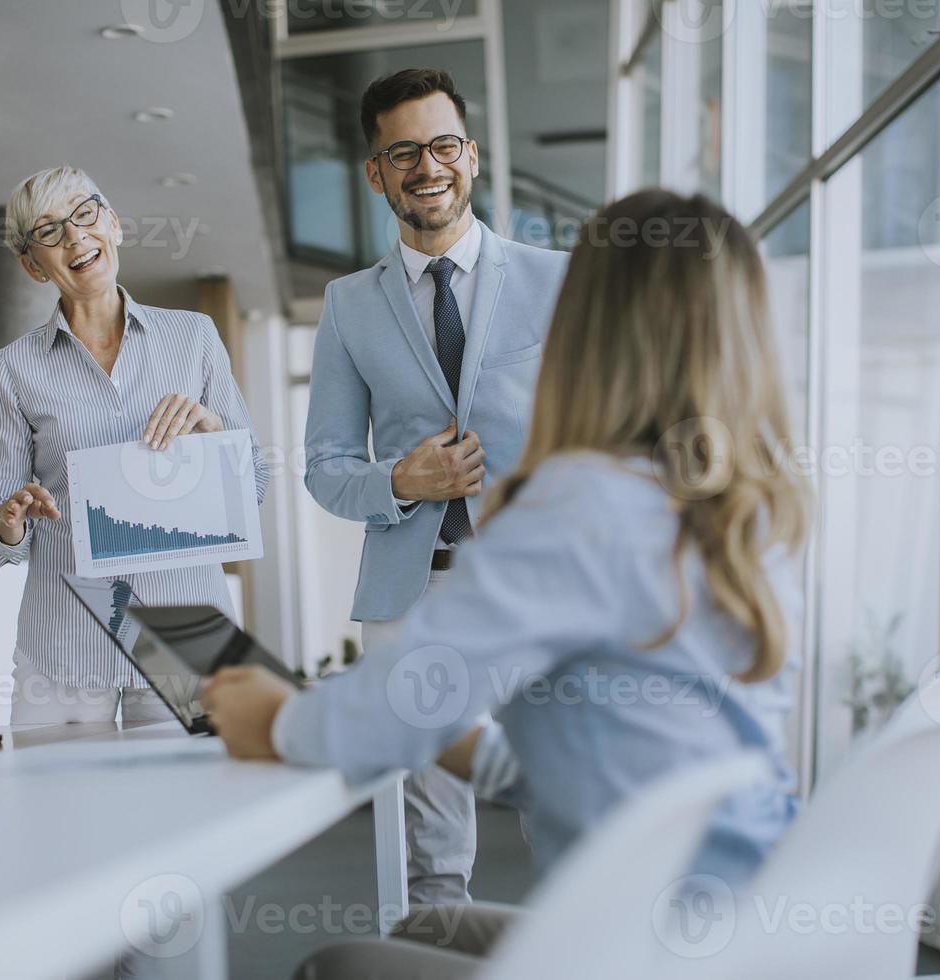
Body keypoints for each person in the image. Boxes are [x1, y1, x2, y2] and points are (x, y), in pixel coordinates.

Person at [202, 190, 812, 978]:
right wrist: (474, 752)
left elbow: (393, 704)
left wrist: (278, 721)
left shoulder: (589, 499)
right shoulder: (749, 513)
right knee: (432, 927)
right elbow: (642, 763)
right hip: (747, 930)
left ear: (590, 333)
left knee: (340, 965)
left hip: (636, 953)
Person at [301, 68, 569, 907]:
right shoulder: (348, 306)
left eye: (443, 144)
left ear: (473, 156)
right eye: (404, 151)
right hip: (414, 597)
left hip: (538, 588)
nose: (428, 166)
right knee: (431, 842)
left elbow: (599, 438)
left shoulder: (558, 280)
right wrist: (402, 481)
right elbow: (325, 467)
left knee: (561, 809)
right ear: (376, 172)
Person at [0, 165, 268, 727]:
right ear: (33, 265)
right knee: (55, 814)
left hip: (185, 638)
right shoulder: (11, 371)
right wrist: (10, 519)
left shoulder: (195, 338)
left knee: (191, 813)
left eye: (85, 215)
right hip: (63, 644)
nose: (75, 237)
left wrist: (214, 438)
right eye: (49, 232)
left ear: (112, 223)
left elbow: (252, 485)